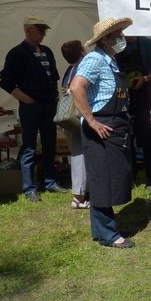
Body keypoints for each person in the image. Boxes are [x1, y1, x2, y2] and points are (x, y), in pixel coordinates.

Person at [70, 18, 135, 249]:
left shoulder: (111, 60)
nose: (122, 38)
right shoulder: (95, 59)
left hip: (116, 126)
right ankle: (108, 235)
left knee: (108, 178)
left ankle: (103, 230)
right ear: (105, 39)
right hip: (102, 127)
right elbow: (76, 87)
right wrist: (91, 120)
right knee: (102, 181)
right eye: (118, 34)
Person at [0, 16, 66, 202]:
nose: (44, 34)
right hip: (31, 106)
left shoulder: (47, 51)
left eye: (44, 30)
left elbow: (53, 77)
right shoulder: (17, 53)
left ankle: (50, 181)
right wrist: (25, 99)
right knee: (29, 145)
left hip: (48, 104)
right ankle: (29, 188)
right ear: (28, 30)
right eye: (40, 30)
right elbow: (5, 80)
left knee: (49, 143)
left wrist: (55, 96)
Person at [116, 36, 151, 184]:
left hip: (146, 98)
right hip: (121, 98)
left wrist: (145, 79)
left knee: (149, 138)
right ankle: (129, 175)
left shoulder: (148, 45)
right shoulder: (115, 44)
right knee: (124, 137)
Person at [60, 40, 90, 209]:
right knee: (80, 156)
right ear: (81, 51)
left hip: (68, 118)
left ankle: (81, 193)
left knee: (78, 154)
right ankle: (78, 197)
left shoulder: (69, 71)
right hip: (77, 118)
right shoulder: (79, 70)